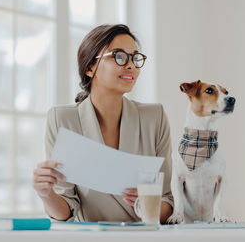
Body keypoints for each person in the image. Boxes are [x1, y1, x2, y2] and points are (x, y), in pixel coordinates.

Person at [32, 24, 174, 223]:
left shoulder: (154, 117)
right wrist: (46, 193)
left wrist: (147, 205)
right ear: (90, 67)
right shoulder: (62, 119)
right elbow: (66, 210)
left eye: (135, 57)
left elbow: (167, 202)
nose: (131, 65)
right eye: (119, 56)